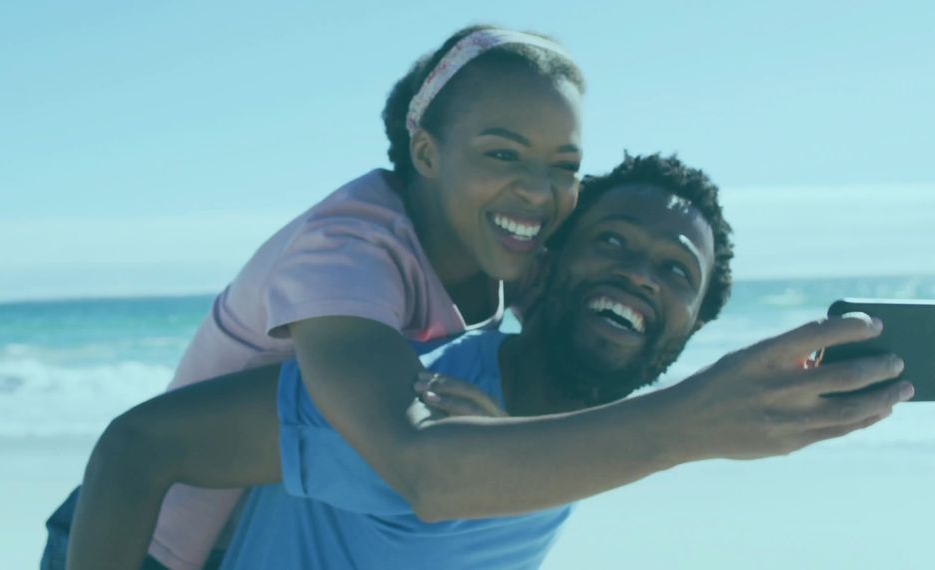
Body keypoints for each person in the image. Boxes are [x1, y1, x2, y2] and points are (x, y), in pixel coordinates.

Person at [66, 155, 913, 569]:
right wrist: (693, 422)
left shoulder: (594, 444)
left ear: (682, 336)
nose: (637, 272)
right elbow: (136, 449)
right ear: (538, 272)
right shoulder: (410, 384)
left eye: (674, 274)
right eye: (612, 241)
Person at [42, 24, 587, 570]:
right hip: (141, 538)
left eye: (564, 165)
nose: (539, 189)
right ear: (425, 153)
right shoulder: (348, 253)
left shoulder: (498, 253)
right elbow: (415, 459)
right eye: (502, 154)